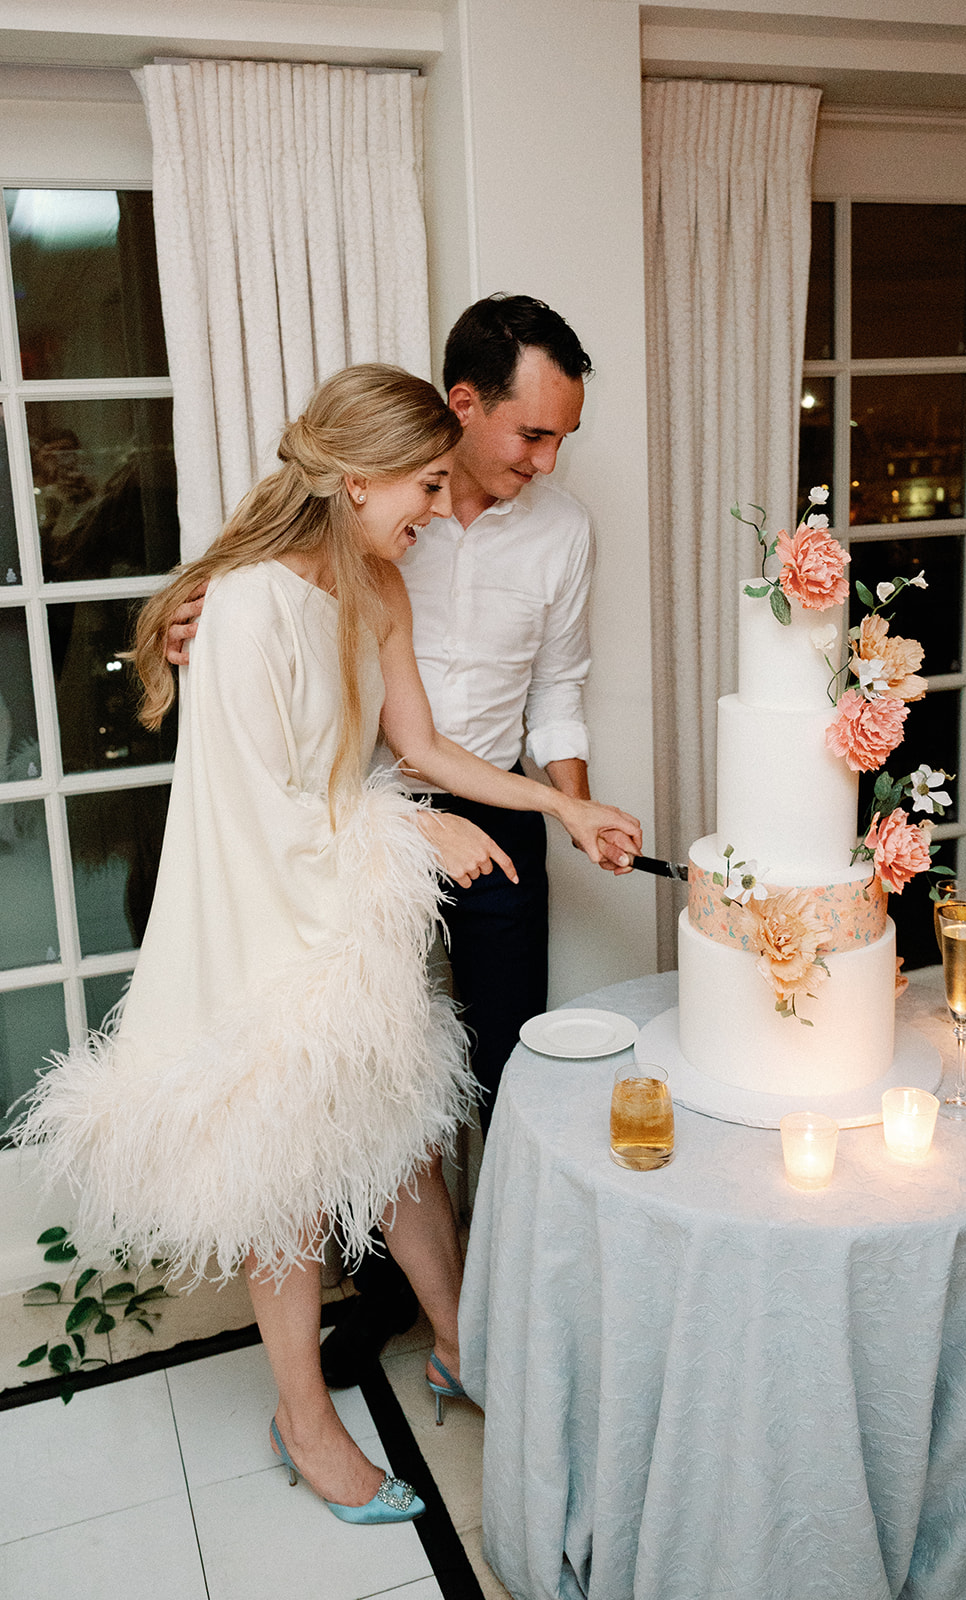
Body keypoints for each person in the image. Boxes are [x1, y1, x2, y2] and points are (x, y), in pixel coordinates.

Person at [19, 365, 642, 1524]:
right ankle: (303, 1421)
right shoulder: (246, 606)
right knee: (291, 1177)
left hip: (348, 909)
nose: (438, 510)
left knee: (406, 1142)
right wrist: (416, 828)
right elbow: (263, 805)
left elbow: (426, 748)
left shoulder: (381, 584)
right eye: (426, 485)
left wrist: (561, 805)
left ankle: (457, 1343)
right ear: (357, 480)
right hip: (265, 912)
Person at [167, 296, 632, 1383]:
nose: (547, 461)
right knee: (342, 1103)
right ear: (460, 409)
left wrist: (564, 806)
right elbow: (279, 760)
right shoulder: (306, 565)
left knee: (468, 1085)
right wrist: (197, 619)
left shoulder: (511, 543)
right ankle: (375, 1321)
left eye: (561, 438)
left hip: (459, 817)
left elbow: (510, 707)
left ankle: (491, 1311)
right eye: (533, 433)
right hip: (333, 849)